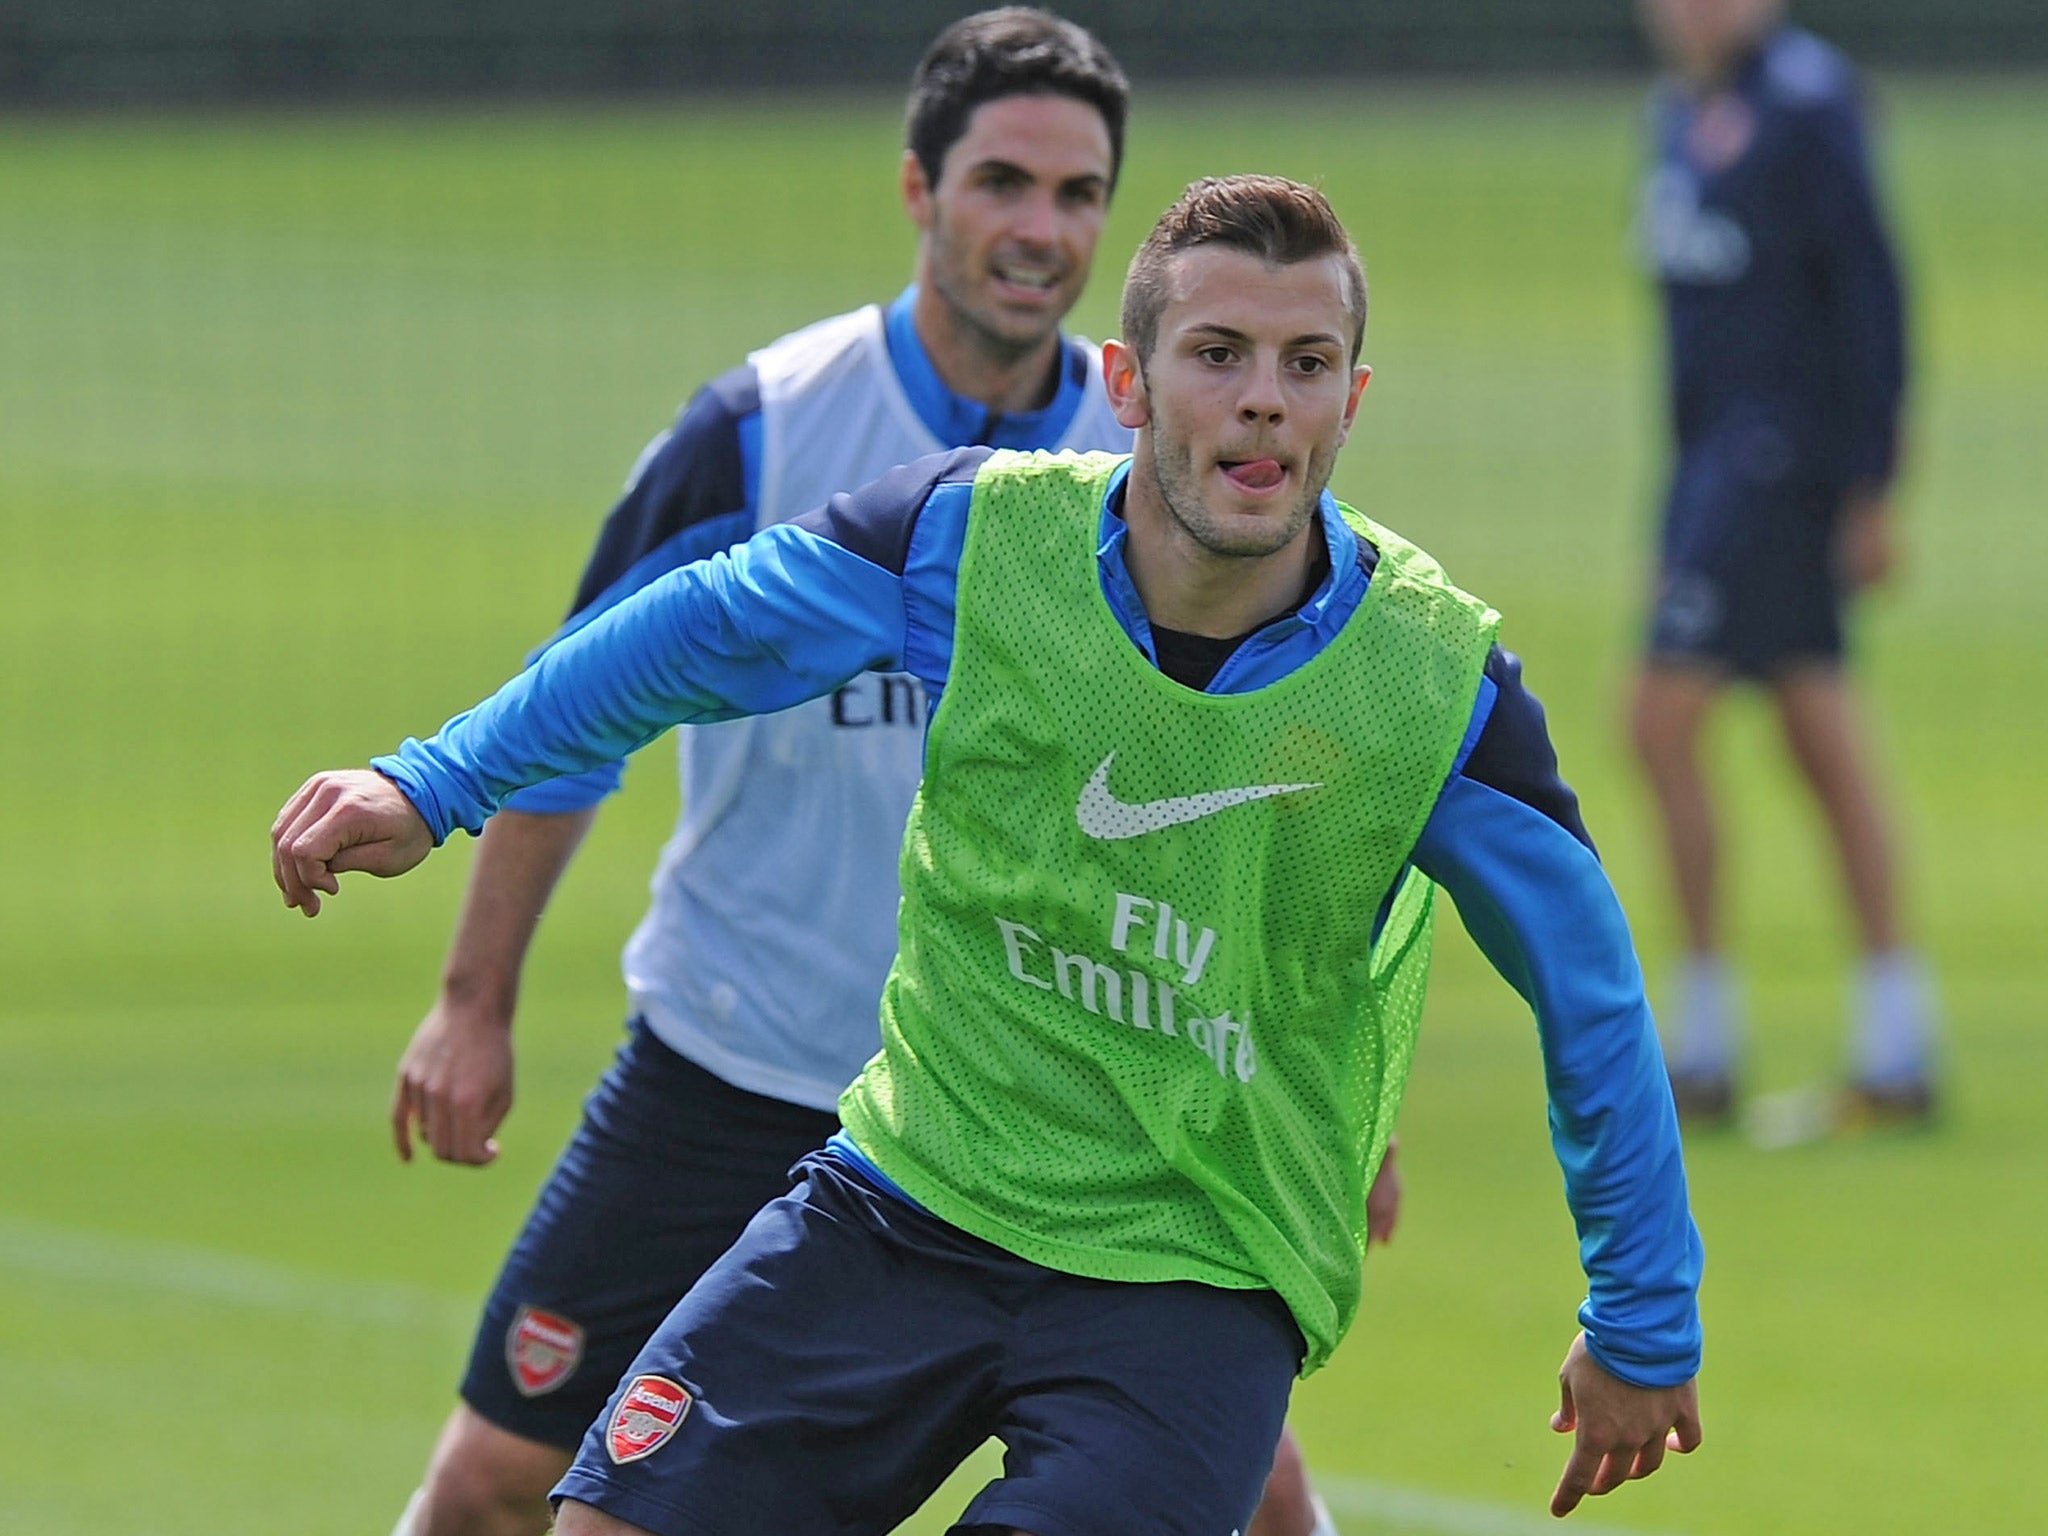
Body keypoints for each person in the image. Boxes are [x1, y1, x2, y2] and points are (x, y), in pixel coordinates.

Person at [275, 174, 1704, 1536]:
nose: (1265, 393)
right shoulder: (971, 539)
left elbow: (1587, 990)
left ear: (1351, 400)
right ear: (1128, 384)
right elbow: (697, 629)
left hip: (1194, 1273)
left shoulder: (1434, 682)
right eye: (1217, 351)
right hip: (907, 1203)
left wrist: (1641, 1315)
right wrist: (435, 780)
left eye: (1307, 360)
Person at [367, 12, 1345, 1535]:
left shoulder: (1175, 437)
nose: (1039, 228)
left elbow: (1293, 793)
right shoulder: (763, 430)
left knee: (1253, 1494)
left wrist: (1340, 1113)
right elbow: (588, 706)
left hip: (1049, 1102)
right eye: (1003, 182)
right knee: (494, 1485)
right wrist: (474, 999)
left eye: (1078, 195)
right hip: (739, 1061)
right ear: (917, 189)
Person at [1632, 0, 1934, 1128]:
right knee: (1817, 729)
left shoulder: (1804, 106)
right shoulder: (1678, 115)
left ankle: (1701, 1044)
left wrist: (1867, 486)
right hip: (1710, 474)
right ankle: (1896, 1042)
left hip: (1776, 466)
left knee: (1655, 723)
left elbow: (1870, 295)